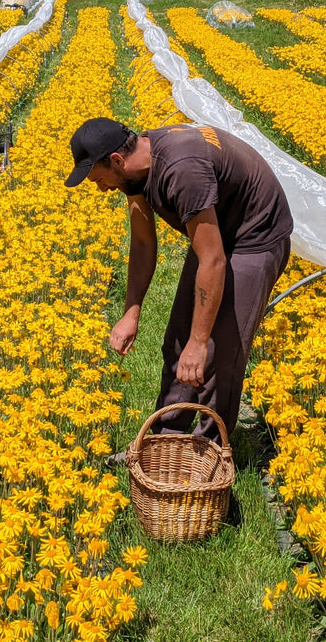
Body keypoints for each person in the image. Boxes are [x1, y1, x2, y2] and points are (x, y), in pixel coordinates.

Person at [65, 117, 293, 446]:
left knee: (217, 353)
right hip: (219, 230)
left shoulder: (181, 170)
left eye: (99, 180)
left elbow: (213, 261)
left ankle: (209, 455)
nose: (102, 189)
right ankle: (164, 442)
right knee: (178, 342)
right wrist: (132, 310)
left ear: (116, 160)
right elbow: (143, 243)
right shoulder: (135, 173)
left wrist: (200, 342)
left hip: (254, 237)